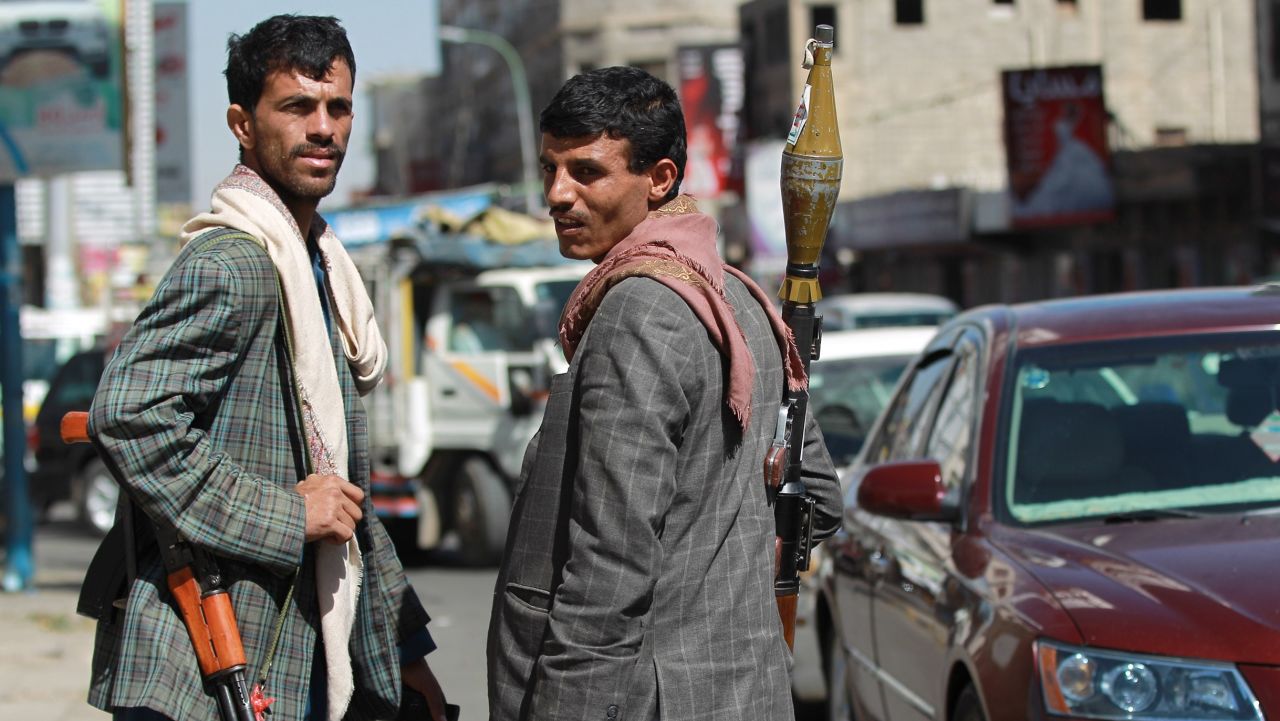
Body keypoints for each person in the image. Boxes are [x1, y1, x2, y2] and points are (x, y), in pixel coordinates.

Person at [84, 15, 447, 721]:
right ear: (242, 124)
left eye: (338, 107)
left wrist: (408, 653)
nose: (323, 128)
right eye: (296, 107)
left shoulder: (319, 267)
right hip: (207, 662)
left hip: (296, 651)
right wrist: (285, 513)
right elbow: (126, 414)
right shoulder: (237, 263)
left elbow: (344, 500)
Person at [486, 66, 842, 721]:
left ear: (660, 179)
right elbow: (819, 494)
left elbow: (606, 577)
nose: (557, 194)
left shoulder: (639, 314)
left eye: (586, 172)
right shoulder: (739, 297)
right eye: (549, 170)